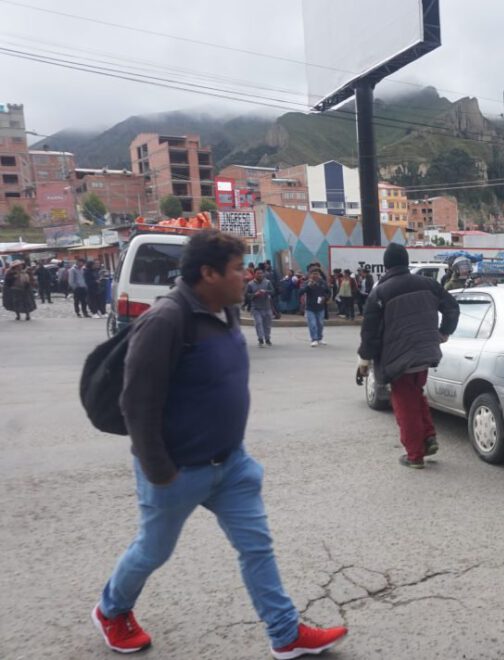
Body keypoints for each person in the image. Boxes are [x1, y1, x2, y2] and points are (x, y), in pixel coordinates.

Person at [92, 229, 347, 657]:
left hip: (231, 466)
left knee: (256, 547)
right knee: (153, 551)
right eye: (237, 269)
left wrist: (235, 451)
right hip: (177, 472)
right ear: (208, 273)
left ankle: (285, 634)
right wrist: (161, 473)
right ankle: (111, 610)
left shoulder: (224, 311)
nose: (246, 276)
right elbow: (136, 404)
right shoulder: (165, 321)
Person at [357, 244, 459, 468]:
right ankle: (428, 437)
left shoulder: (379, 292)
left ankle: (415, 455)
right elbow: (452, 308)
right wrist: (444, 332)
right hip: (425, 353)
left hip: (398, 358)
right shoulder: (429, 284)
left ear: (386, 265)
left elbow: (370, 332)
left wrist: (364, 360)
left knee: (404, 403)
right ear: (406, 261)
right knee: (415, 394)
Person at [245, 268, 275, 347]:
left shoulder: (267, 282)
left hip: (267, 307)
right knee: (258, 323)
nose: (260, 275)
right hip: (256, 308)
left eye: (261, 273)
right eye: (258, 273)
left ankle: (267, 338)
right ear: (255, 274)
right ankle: (260, 339)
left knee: (267, 324)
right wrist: (255, 294)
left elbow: (273, 292)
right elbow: (247, 295)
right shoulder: (250, 284)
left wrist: (266, 291)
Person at [300, 270, 330, 346]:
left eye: (317, 274)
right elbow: (300, 292)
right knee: (312, 324)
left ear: (319, 275)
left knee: (320, 323)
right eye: (313, 274)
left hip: (320, 306)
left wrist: (325, 298)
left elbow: (328, 292)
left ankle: (320, 338)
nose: (315, 276)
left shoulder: (322, 282)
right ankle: (314, 339)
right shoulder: (307, 283)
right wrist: (308, 286)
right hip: (310, 307)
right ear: (310, 275)